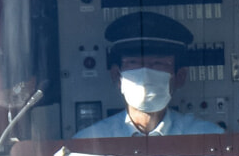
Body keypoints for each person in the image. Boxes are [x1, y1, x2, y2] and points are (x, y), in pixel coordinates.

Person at [83, 10, 223, 138]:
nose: (146, 73)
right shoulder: (92, 141)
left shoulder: (207, 138)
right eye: (133, 63)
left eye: (158, 63)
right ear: (116, 76)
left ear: (180, 77)